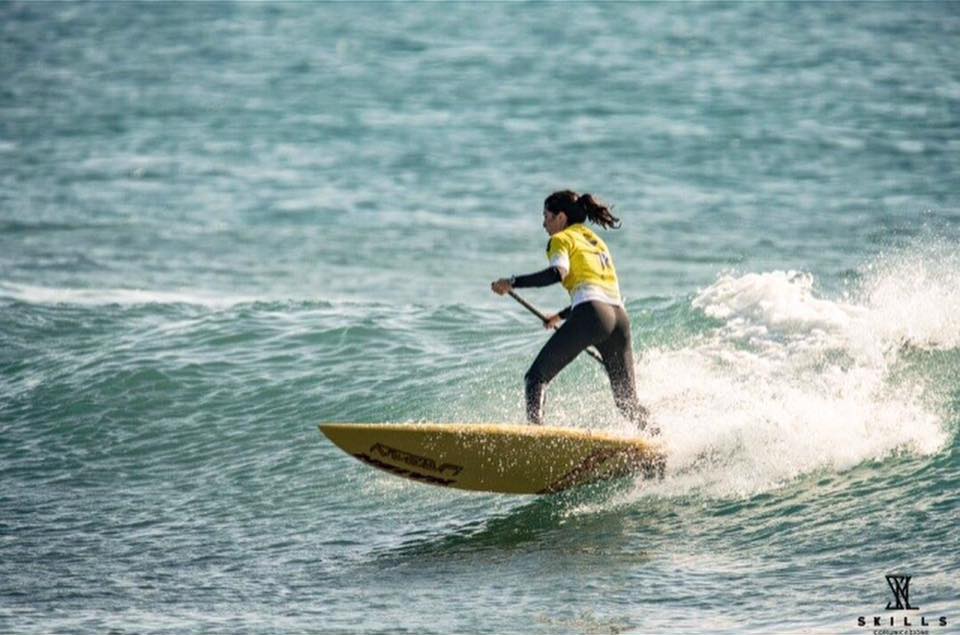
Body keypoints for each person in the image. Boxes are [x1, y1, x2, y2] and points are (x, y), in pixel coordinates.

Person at [491, 190, 654, 433]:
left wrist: (512, 282)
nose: (543, 223)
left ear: (560, 217)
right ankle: (660, 441)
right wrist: (560, 316)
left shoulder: (561, 239)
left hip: (592, 316)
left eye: (546, 216)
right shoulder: (595, 241)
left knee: (535, 378)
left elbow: (558, 273)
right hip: (619, 319)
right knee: (627, 404)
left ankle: (536, 441)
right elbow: (596, 290)